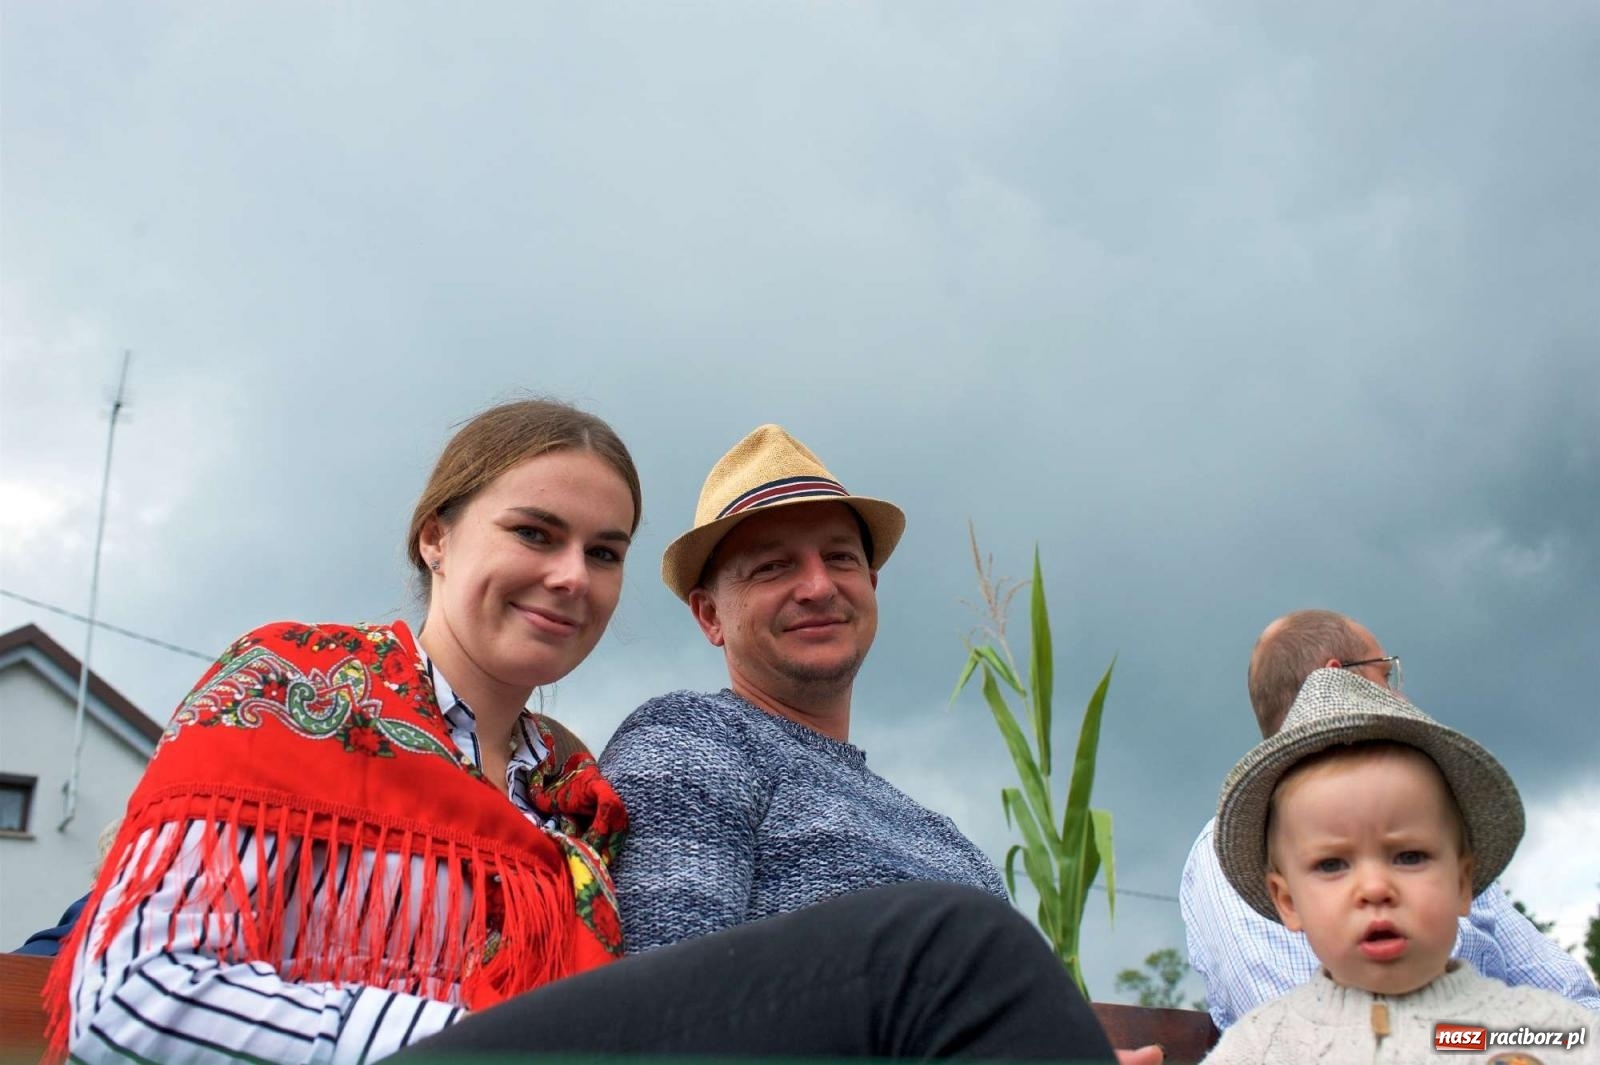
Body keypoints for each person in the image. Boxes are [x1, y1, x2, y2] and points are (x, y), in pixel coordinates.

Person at [50, 399, 1119, 1065]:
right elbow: (131, 999)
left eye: (602, 552)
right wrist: (474, 1037)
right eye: (534, 532)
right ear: (436, 535)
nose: (570, 575)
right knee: (943, 949)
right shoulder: (296, 689)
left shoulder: (571, 795)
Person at [598, 424, 1153, 1065]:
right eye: (774, 567)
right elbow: (671, 1020)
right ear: (710, 615)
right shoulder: (691, 740)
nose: (818, 586)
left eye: (840, 558)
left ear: (872, 586)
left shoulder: (947, 843)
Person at [1181, 609, 1600, 1030]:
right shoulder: (1247, 848)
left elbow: (1573, 1003)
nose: (1376, 887)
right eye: (1386, 675)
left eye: (1411, 857)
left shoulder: (1430, 822)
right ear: (1339, 676)